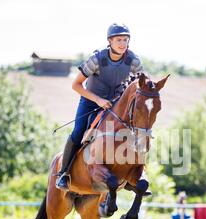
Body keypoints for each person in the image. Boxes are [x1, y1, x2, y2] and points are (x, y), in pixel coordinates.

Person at [55, 23, 143, 190]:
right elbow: (76, 85)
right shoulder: (96, 59)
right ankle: (64, 173)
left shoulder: (134, 60)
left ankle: (132, 176)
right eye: (119, 40)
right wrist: (98, 100)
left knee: (134, 132)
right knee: (79, 130)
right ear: (110, 41)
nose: (123, 43)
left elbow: (141, 84)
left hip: (116, 103)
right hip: (90, 100)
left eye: (125, 39)